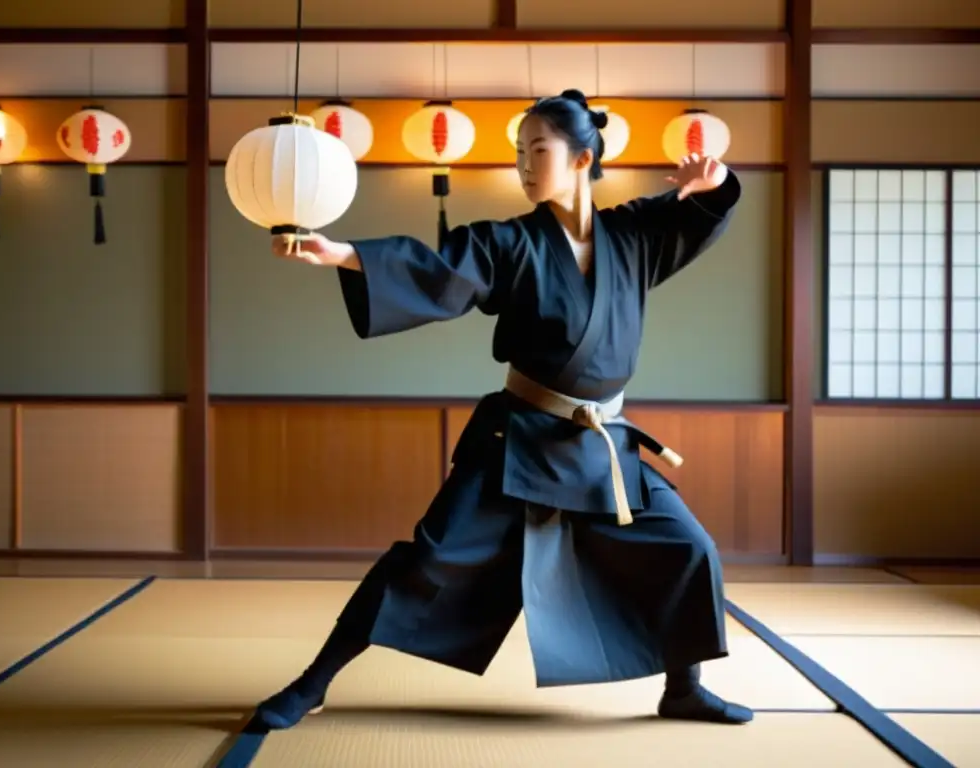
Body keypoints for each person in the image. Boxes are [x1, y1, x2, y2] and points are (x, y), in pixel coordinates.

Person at [252, 89, 753, 731]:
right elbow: (439, 269)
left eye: (538, 150)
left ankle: (683, 689)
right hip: (517, 441)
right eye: (519, 153)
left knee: (689, 548)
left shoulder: (634, 235)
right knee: (426, 560)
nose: (524, 165)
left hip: (603, 447)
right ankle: (312, 684)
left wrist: (716, 182)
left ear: (581, 158)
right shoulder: (508, 243)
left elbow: (700, 212)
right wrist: (345, 254)